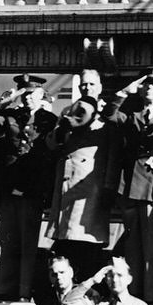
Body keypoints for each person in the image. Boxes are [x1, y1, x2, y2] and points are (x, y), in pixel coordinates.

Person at [104, 68, 153, 305]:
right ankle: (132, 296)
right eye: (146, 84)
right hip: (129, 186)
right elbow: (109, 113)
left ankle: (149, 296)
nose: (149, 87)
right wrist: (124, 92)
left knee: (150, 248)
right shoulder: (131, 115)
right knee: (133, 246)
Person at [0, 74, 60, 301]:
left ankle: (24, 291)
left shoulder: (48, 120)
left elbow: (52, 155)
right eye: (24, 94)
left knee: (28, 242)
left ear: (42, 94)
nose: (27, 99)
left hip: (32, 188)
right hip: (9, 185)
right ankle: (6, 290)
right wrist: (2, 104)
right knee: (9, 240)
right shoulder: (9, 116)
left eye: (32, 94)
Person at [47, 95, 120, 278]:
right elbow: (51, 144)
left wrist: (109, 188)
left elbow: (113, 159)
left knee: (85, 244)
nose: (87, 88)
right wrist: (62, 128)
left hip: (89, 195)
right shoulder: (67, 121)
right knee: (65, 244)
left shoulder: (104, 126)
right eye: (84, 85)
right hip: (65, 192)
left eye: (91, 84)